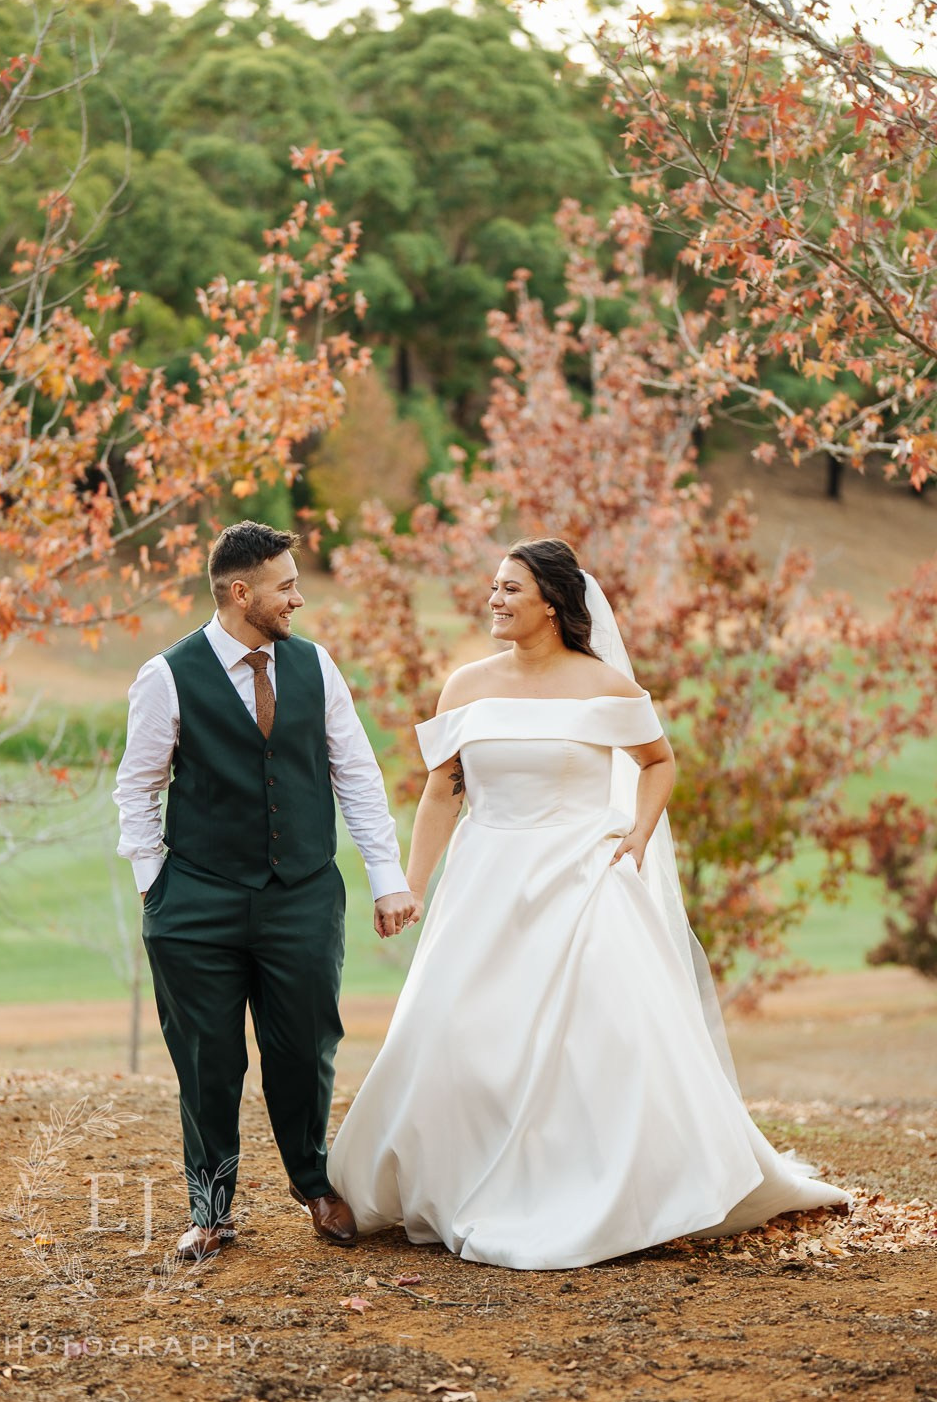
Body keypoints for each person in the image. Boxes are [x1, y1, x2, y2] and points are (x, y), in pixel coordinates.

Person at [327, 537, 850, 1270]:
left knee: (605, 1039)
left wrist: (637, 832)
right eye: (494, 587)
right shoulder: (464, 687)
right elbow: (444, 789)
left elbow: (658, 762)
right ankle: (447, 1175)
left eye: (512, 589)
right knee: (455, 1028)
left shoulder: (604, 687)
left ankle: (610, 1187)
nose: (495, 600)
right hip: (486, 880)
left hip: (581, 876)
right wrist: (412, 883)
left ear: (552, 603)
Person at [114, 521, 418, 1260]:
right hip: (196, 904)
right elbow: (138, 790)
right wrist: (157, 889)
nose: (299, 599)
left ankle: (314, 1184)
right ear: (241, 592)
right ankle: (211, 1212)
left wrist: (386, 881)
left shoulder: (316, 666)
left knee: (306, 1047)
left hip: (303, 896)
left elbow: (357, 775)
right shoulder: (167, 675)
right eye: (286, 586)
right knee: (207, 1061)